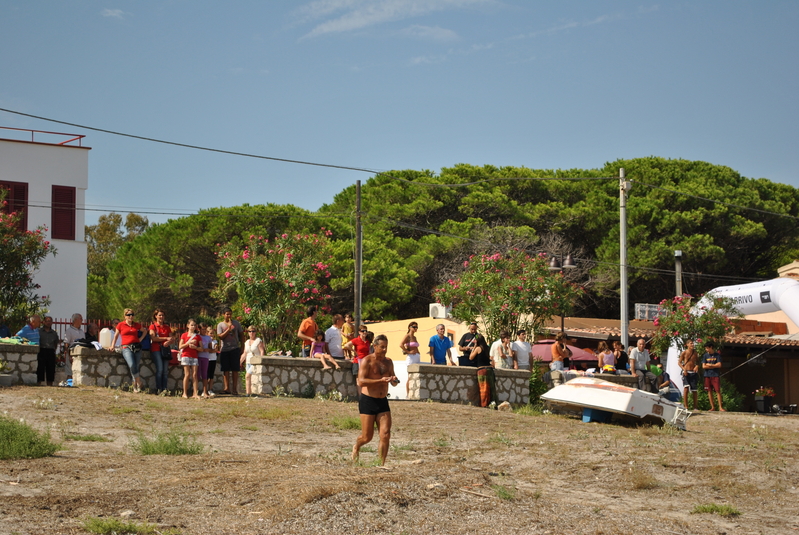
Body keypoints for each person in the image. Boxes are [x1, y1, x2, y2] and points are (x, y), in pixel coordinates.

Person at [352, 334, 399, 466]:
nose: (384, 350)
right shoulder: (367, 361)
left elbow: (393, 380)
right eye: (382, 347)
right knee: (367, 437)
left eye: (386, 347)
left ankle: (381, 464)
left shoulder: (388, 362)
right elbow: (360, 381)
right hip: (368, 401)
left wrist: (394, 380)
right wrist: (380, 380)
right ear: (375, 346)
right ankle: (357, 446)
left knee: (385, 434)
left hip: (382, 400)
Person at [109, 309, 146, 392]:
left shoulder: (136, 325)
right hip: (126, 347)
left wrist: (140, 339)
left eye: (132, 314)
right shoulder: (121, 325)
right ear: (125, 316)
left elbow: (144, 331)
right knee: (132, 365)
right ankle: (139, 381)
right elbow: (116, 336)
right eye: (129, 315)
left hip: (136, 347)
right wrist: (112, 346)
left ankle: (135, 386)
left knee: (136, 366)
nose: (131, 316)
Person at [217, 307, 243, 395]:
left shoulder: (236, 323)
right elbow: (220, 336)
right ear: (223, 315)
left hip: (234, 349)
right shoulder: (220, 325)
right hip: (224, 350)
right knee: (226, 369)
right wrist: (228, 329)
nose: (229, 316)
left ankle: (234, 389)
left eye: (230, 314)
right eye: (227, 314)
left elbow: (241, 334)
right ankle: (227, 388)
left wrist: (242, 346)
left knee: (235, 369)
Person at [148, 309, 172, 394]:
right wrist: (165, 338)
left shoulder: (167, 327)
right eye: (160, 315)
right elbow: (153, 338)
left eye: (163, 315)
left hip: (165, 350)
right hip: (156, 349)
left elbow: (171, 338)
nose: (161, 317)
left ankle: (164, 389)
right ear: (156, 316)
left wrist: (168, 342)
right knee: (160, 369)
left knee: (165, 371)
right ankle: (159, 388)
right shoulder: (153, 326)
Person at [179, 319, 202, 400]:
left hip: (194, 356)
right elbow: (180, 346)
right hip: (186, 355)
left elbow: (201, 348)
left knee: (195, 375)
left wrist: (195, 347)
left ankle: (195, 393)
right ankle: (184, 393)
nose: (193, 326)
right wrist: (188, 343)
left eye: (194, 325)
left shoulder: (198, 336)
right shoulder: (184, 335)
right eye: (191, 325)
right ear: (188, 326)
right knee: (187, 374)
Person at [240, 326, 265, 396]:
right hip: (248, 361)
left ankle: (248, 393)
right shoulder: (247, 342)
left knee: (247, 376)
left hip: (255, 362)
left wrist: (261, 361)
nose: (251, 333)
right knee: (248, 377)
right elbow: (245, 353)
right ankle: (248, 393)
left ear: (255, 332)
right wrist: (240, 361)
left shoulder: (258, 341)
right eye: (250, 331)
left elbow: (262, 351)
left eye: (253, 331)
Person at [36, 316, 60, 386]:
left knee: (51, 368)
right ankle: (39, 383)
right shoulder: (39, 331)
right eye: (47, 321)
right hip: (41, 350)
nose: (48, 322)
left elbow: (56, 343)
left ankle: (50, 384)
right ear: (44, 322)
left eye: (50, 321)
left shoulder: (54, 333)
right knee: (40, 368)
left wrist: (53, 350)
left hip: (50, 351)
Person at [701, 341, 725, 411]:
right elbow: (704, 366)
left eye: (707, 348)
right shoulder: (705, 356)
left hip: (715, 375)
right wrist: (714, 366)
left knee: (717, 390)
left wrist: (711, 365)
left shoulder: (717, 355)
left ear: (711, 347)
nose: (706, 349)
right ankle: (712, 407)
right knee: (709, 391)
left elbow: (719, 365)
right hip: (707, 375)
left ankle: (720, 407)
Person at [399, 322, 421, 395]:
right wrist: (408, 351)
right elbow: (401, 344)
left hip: (416, 356)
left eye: (416, 327)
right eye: (414, 327)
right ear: (409, 327)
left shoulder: (414, 337)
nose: (415, 328)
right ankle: (408, 394)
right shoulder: (407, 336)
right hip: (411, 357)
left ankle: (414, 393)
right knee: (410, 376)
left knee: (416, 376)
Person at [62, 313, 85, 381]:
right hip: (71, 354)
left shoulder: (81, 331)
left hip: (80, 354)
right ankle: (69, 385)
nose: (82, 320)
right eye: (80, 319)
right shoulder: (69, 331)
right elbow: (66, 344)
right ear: (75, 320)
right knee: (70, 372)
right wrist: (69, 356)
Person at [678, 340, 700, 410]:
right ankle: (686, 406)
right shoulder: (684, 352)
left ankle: (695, 407)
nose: (692, 344)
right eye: (691, 343)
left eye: (693, 343)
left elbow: (698, 362)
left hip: (693, 372)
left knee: (694, 390)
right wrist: (684, 369)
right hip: (686, 372)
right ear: (687, 344)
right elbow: (679, 362)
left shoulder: (695, 353)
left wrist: (697, 366)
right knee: (686, 389)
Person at [196, 323, 212, 398]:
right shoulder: (196, 336)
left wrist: (206, 349)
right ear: (199, 329)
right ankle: (195, 391)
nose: (204, 331)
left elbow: (210, 349)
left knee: (205, 374)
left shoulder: (208, 338)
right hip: (198, 357)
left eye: (205, 329)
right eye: (202, 329)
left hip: (205, 357)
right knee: (197, 374)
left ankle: (205, 391)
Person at [203, 325, 218, 397]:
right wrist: (211, 350)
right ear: (207, 333)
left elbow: (215, 349)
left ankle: (210, 389)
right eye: (210, 333)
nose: (211, 335)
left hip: (213, 359)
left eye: (212, 333)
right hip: (207, 359)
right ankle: (205, 390)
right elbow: (208, 349)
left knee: (211, 375)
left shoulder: (215, 341)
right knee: (206, 375)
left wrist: (212, 350)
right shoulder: (206, 341)